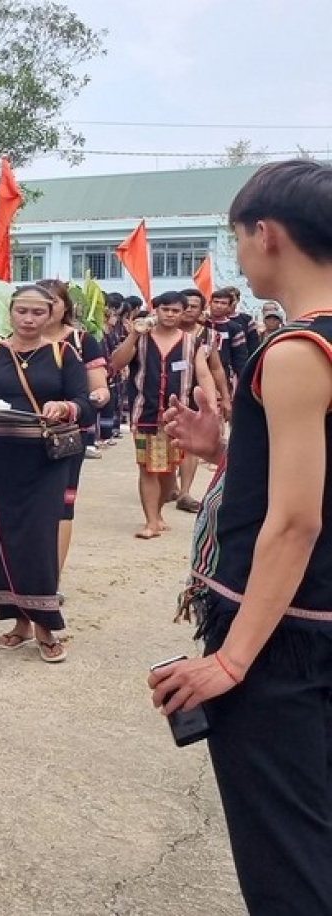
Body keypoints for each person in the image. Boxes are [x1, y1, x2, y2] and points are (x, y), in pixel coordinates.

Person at [151, 159, 332, 916]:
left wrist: (231, 658)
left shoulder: (295, 350)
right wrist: (227, 453)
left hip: (287, 634)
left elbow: (296, 521)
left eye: (238, 241)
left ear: (266, 234)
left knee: (288, 856)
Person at [0, 284, 94, 662]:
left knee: (37, 539)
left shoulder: (64, 353)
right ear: (10, 313)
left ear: (51, 314)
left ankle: (45, 626)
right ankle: (17, 621)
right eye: (22, 312)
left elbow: (85, 404)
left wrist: (65, 407)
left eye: (38, 312)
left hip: (45, 460)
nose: (30, 319)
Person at [109, 291, 217, 539]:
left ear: (183, 313)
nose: (170, 314)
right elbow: (116, 362)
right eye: (165, 309)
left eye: (175, 310)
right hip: (145, 413)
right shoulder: (141, 339)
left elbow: (203, 374)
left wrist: (210, 408)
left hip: (178, 418)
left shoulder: (193, 343)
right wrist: (134, 334)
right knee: (148, 468)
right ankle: (150, 522)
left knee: (169, 471)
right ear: (155, 310)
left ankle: (157, 514)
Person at [39, 278, 109, 579]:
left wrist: (97, 397)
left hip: (66, 435)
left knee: (60, 506)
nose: (45, 308)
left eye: (53, 300)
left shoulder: (81, 341)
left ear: (65, 305)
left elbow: (100, 387)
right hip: (20, 433)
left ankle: (50, 578)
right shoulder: (9, 342)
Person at [175, 287, 232, 513]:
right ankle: (170, 485)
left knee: (189, 444)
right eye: (185, 306)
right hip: (166, 394)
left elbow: (216, 368)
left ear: (201, 309)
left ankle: (184, 492)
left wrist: (224, 397)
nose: (188, 311)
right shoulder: (161, 332)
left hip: (195, 395)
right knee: (170, 443)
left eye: (194, 307)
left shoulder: (208, 335)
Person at [206, 287, 250, 387]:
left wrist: (242, 380)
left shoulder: (235, 328)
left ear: (229, 306)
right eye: (216, 302)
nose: (219, 306)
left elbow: (240, 357)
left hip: (225, 374)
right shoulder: (202, 324)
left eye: (223, 303)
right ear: (210, 303)